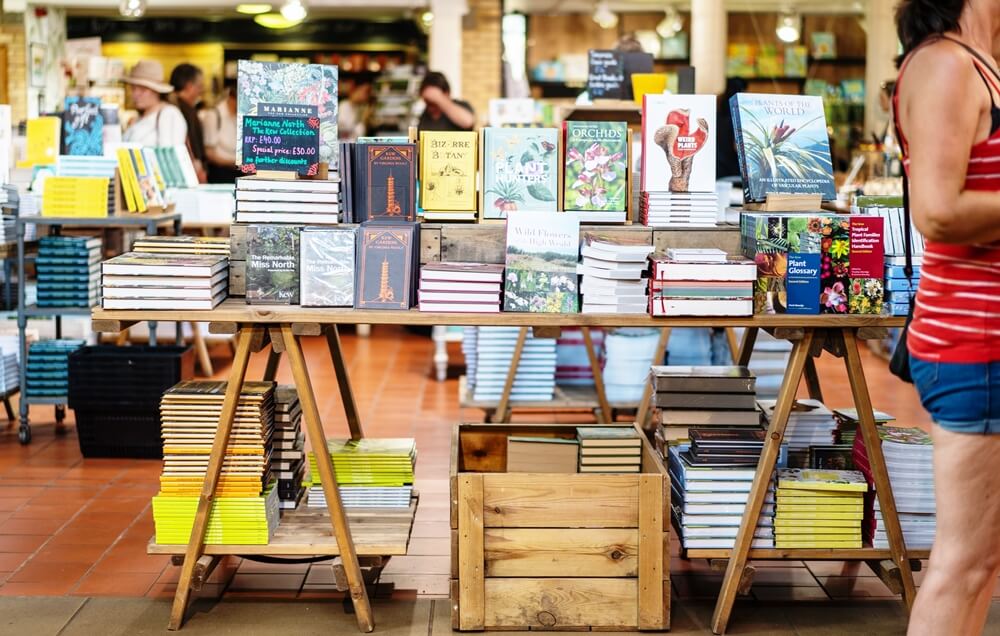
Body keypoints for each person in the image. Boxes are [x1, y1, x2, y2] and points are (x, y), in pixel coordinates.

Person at [893, 2, 1000, 635]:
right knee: (963, 562)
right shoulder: (945, 66)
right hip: (975, 340)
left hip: (984, 340)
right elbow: (935, 211)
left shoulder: (979, 69)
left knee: (982, 562)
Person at [121, 59, 187, 147]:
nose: (135, 94)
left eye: (142, 89)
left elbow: (169, 154)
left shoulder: (169, 114)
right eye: (133, 88)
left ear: (156, 90)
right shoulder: (140, 117)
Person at [170, 63, 207, 182]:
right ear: (189, 86)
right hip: (189, 173)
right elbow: (192, 145)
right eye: (199, 86)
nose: (201, 91)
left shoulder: (168, 107)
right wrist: (198, 168)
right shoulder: (187, 110)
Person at [200, 78, 240, 183]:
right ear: (232, 98)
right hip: (221, 173)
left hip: (239, 171)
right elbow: (209, 154)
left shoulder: (240, 116)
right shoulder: (214, 115)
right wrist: (234, 164)